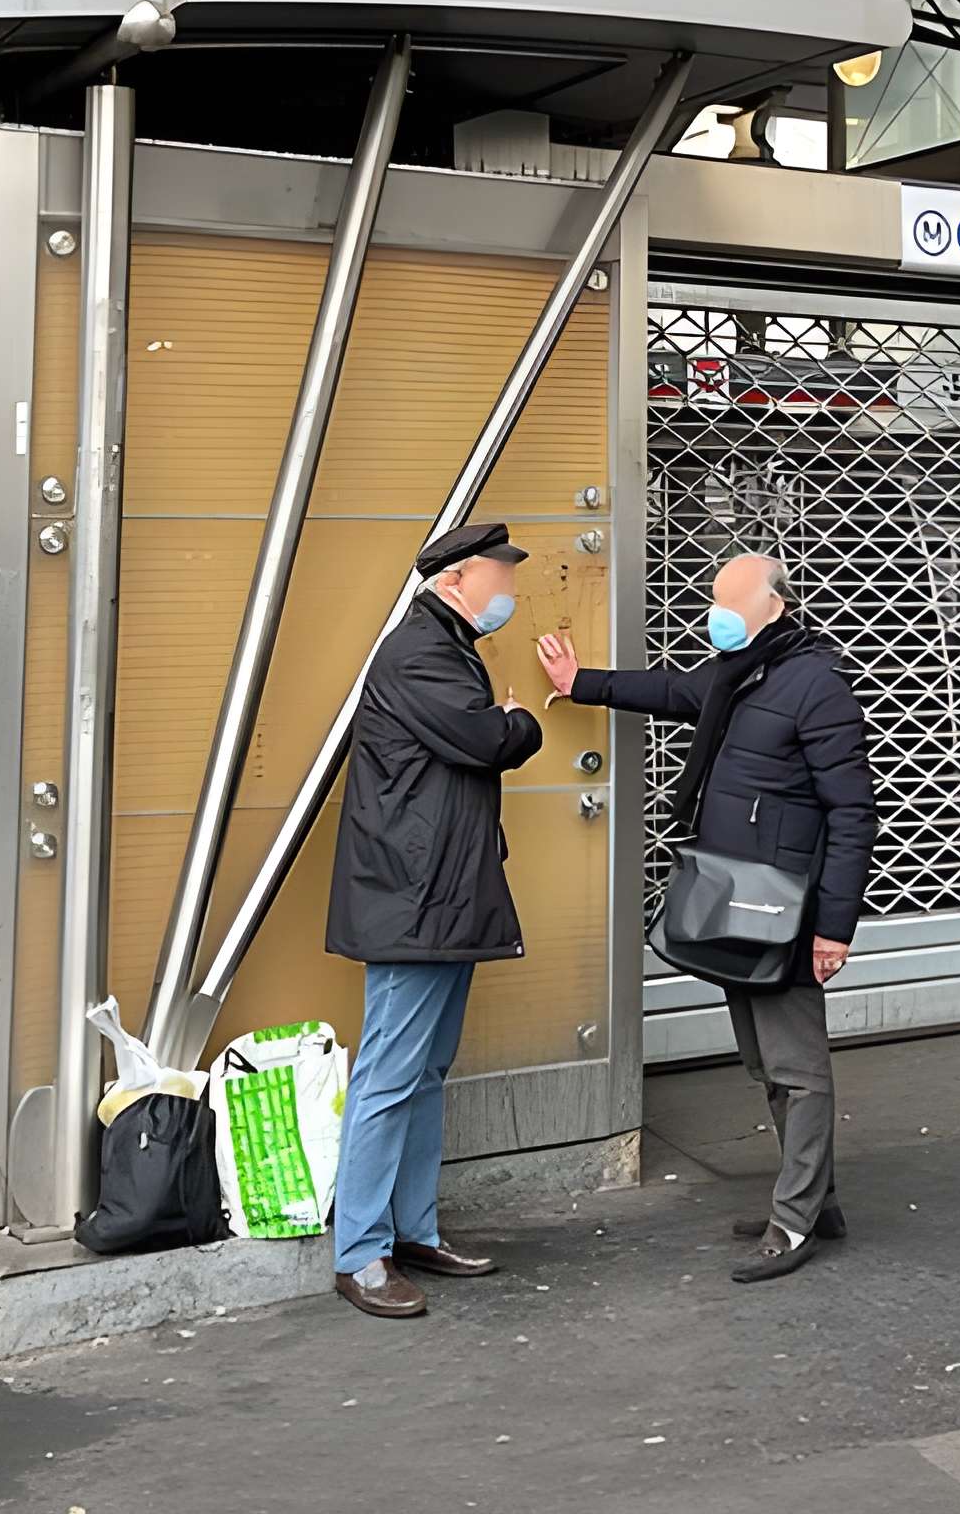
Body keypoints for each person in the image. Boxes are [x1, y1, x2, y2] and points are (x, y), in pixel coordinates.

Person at [538, 554, 876, 1282]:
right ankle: (818, 1200)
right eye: (713, 599)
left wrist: (835, 927)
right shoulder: (741, 669)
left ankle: (794, 1222)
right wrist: (580, 683)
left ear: (775, 607)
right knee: (763, 1061)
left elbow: (852, 813)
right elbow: (672, 690)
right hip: (732, 896)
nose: (714, 613)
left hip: (785, 904)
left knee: (797, 1067)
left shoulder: (816, 684)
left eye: (729, 601)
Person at [324, 521, 547, 1320]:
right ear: (455, 581)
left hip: (439, 897)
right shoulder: (420, 651)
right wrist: (522, 723)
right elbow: (486, 739)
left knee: (424, 1071)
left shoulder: (449, 647)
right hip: (413, 900)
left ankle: (411, 1231)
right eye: (502, 576)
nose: (511, 592)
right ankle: (359, 1253)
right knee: (389, 1075)